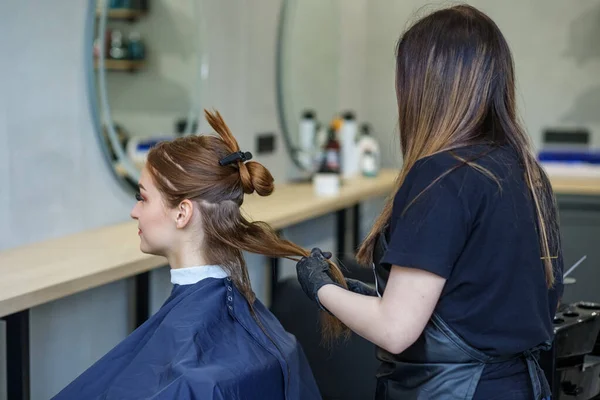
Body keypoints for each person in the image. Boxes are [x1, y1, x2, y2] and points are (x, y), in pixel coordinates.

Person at [295, 5, 563, 400]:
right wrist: (359, 295)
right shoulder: (525, 171)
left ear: (427, 86)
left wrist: (319, 288)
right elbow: (477, 302)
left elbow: (395, 331)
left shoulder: (441, 177)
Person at [52, 110, 349, 400]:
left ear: (182, 213)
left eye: (142, 197)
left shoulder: (191, 376)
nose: (134, 212)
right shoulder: (264, 332)